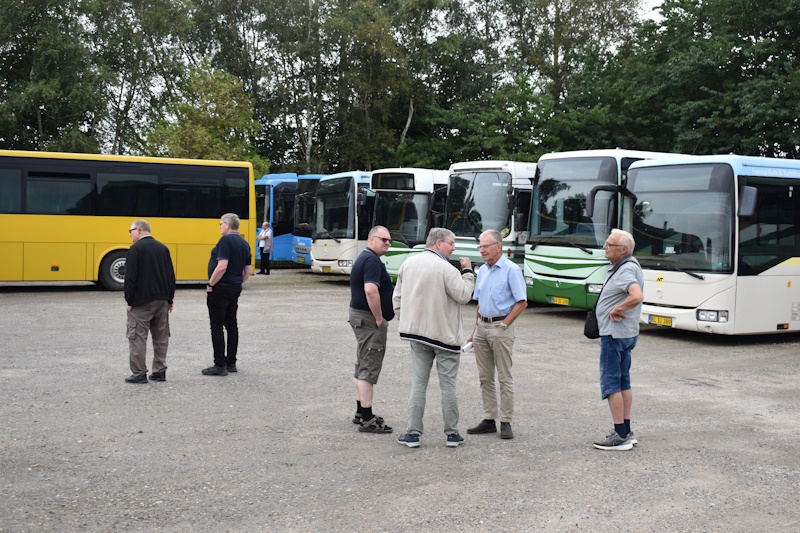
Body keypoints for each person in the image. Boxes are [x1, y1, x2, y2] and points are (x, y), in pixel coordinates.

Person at [392, 228, 475, 448]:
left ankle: (413, 433)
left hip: (416, 335)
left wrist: (407, 321)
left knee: (418, 384)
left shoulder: (407, 264)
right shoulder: (446, 269)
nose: (454, 247)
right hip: (444, 337)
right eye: (451, 243)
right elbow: (464, 295)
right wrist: (468, 271)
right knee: (448, 385)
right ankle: (452, 434)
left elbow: (397, 299)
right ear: (438, 243)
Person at [466, 230, 527, 440]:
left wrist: (505, 325)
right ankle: (489, 419)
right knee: (485, 377)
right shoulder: (482, 270)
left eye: (485, 246)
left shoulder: (511, 270)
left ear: (499, 246)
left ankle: (506, 421)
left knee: (504, 377)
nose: (482, 250)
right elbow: (479, 302)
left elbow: (522, 302)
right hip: (482, 327)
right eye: (480, 247)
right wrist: (474, 331)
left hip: (500, 327)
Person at [592, 229, 644, 451]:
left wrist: (617, 308)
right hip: (624, 334)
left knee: (612, 383)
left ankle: (619, 435)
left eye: (609, 245)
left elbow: (637, 295)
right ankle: (626, 430)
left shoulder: (625, 269)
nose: (605, 247)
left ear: (623, 250)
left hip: (614, 335)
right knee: (623, 382)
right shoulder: (630, 265)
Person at [348, 226, 395, 434]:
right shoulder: (372, 260)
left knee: (362, 363)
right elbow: (370, 289)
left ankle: (360, 411)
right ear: (371, 239)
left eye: (389, 240)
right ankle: (368, 418)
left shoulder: (365, 257)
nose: (387, 243)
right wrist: (378, 317)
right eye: (383, 239)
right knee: (369, 365)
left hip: (359, 315)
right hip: (368, 318)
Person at [123, 220, 176, 384]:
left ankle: (139, 373)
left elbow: (130, 278)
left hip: (141, 301)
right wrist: (170, 298)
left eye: (130, 230)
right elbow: (170, 275)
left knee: (138, 337)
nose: (130, 234)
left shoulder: (135, 249)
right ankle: (159, 371)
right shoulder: (162, 248)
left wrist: (129, 300)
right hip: (161, 300)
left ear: (139, 230)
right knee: (161, 337)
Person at [202, 213, 252, 376]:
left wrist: (211, 283)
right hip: (235, 286)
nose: (220, 227)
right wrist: (237, 282)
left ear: (228, 225)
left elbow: (222, 265)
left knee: (216, 325)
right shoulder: (245, 243)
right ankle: (231, 362)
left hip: (220, 288)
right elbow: (248, 271)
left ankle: (219, 365)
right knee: (231, 324)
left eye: (221, 224)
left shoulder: (225, 240)